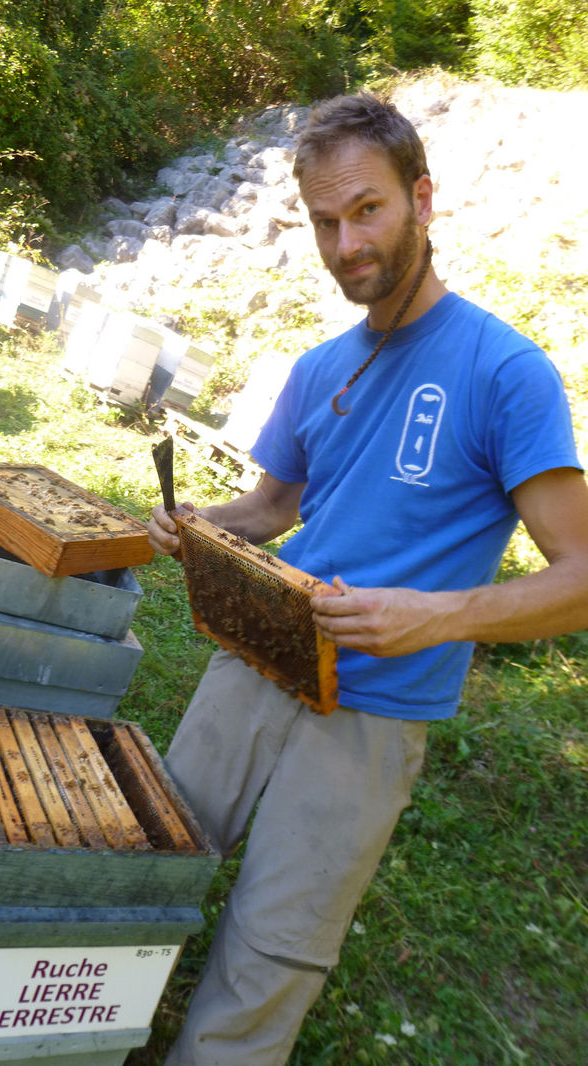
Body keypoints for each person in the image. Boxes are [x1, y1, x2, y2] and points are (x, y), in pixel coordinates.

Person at [147, 92, 588, 1066]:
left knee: (272, 943)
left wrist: (435, 617)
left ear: (420, 199)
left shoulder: (506, 372)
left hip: (373, 708)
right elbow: (269, 510)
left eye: (367, 209)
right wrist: (197, 526)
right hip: (253, 659)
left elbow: (580, 573)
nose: (345, 242)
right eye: (322, 221)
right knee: (150, 866)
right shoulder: (316, 368)